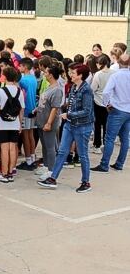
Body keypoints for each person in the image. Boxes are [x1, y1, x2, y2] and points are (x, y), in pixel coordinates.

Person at [39, 64, 94, 192]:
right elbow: (71, 104)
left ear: (80, 75)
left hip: (82, 126)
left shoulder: (86, 90)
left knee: (83, 154)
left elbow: (87, 111)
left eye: (73, 73)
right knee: (62, 151)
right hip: (70, 124)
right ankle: (53, 178)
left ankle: (86, 182)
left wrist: (69, 114)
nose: (71, 75)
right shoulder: (74, 87)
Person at [92, 53, 130, 173]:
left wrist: (106, 104)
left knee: (109, 138)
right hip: (128, 110)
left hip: (117, 109)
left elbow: (106, 92)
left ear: (118, 62)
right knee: (125, 139)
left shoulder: (116, 75)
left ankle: (104, 164)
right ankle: (119, 163)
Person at [0, 67, 25, 183]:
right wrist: (20, 124)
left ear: (4, 77)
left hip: (2, 123)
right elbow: (21, 109)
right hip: (14, 123)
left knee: (4, 149)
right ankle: (10, 172)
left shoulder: (0, 91)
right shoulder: (19, 91)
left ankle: (4, 173)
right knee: (12, 148)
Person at [34, 65, 64, 181]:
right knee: (45, 146)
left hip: (48, 123)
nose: (44, 74)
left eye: (46, 72)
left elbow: (54, 108)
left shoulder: (57, 90)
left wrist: (49, 123)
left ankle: (51, 170)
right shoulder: (49, 87)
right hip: (42, 120)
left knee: (50, 147)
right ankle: (46, 166)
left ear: (51, 75)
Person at [90, 55, 114, 154]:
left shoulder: (98, 74)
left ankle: (97, 144)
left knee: (97, 124)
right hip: (110, 102)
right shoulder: (114, 73)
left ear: (101, 64)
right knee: (107, 125)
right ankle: (106, 144)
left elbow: (93, 88)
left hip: (98, 101)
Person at [17, 58, 38, 171]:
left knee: (25, 135)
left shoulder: (23, 79)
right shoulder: (33, 78)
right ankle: (33, 157)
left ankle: (28, 159)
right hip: (33, 108)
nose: (19, 68)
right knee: (30, 134)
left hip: (25, 109)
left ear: (24, 67)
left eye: (20, 66)